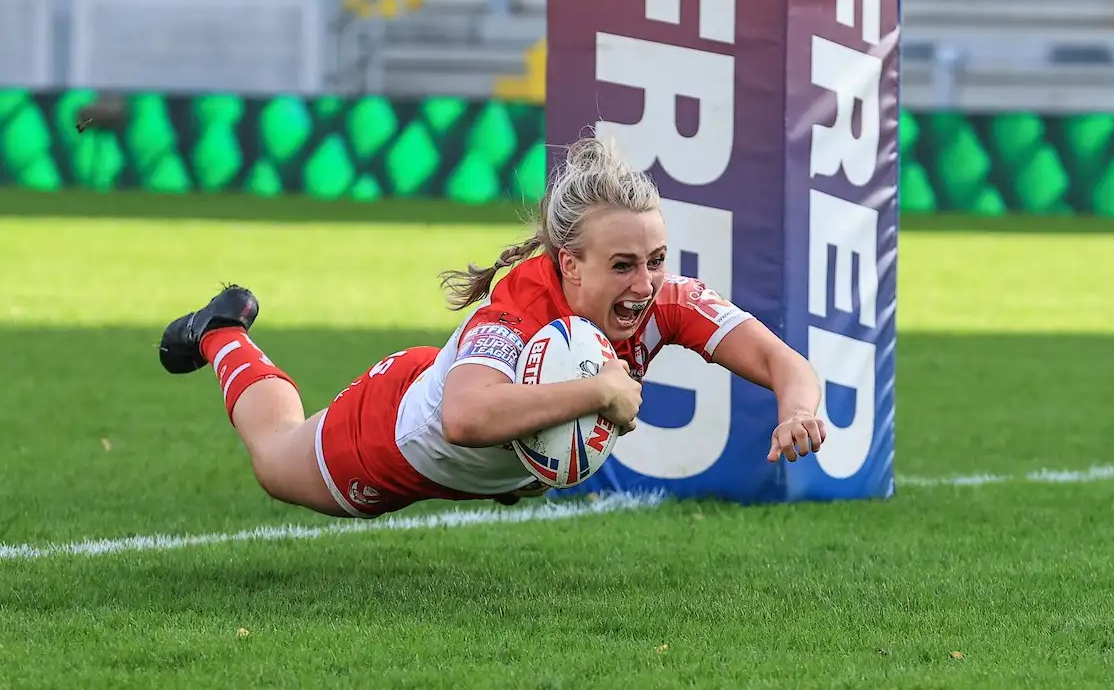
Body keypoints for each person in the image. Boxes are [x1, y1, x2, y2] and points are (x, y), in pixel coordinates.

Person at [157, 136, 828, 519]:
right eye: (623, 265)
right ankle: (222, 331)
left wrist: (797, 412)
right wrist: (600, 392)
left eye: (655, 261)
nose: (644, 284)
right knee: (276, 457)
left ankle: (512, 479)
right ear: (569, 264)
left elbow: (784, 363)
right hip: (395, 435)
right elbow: (465, 417)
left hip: (483, 428)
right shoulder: (518, 307)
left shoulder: (664, 301)